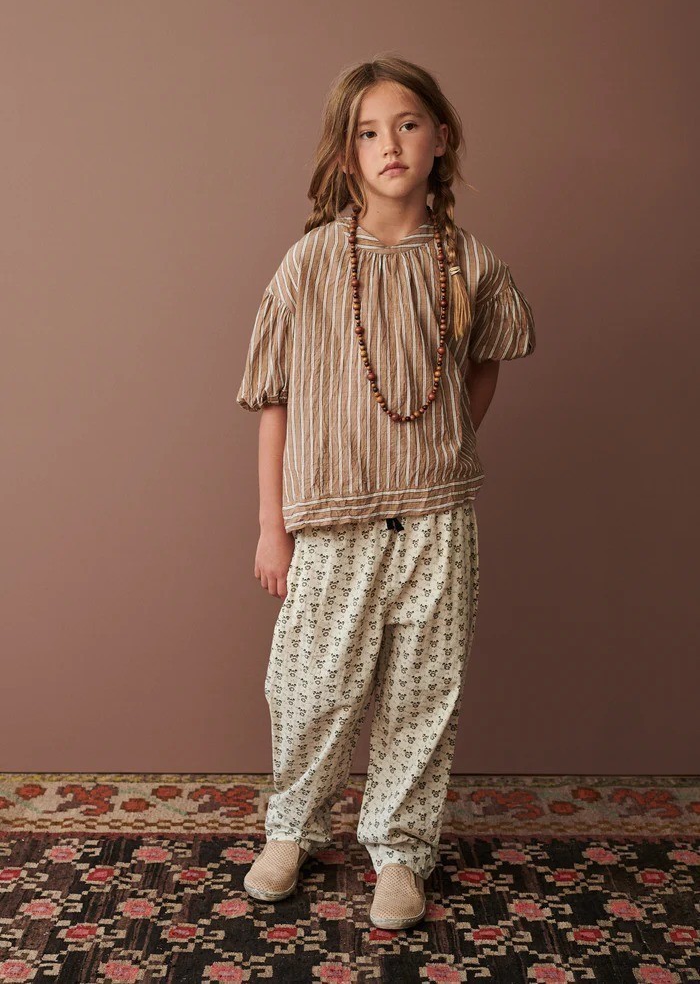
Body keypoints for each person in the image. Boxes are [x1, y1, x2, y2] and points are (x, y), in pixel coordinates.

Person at [235, 55, 536, 930]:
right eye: (368, 133)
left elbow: (484, 363)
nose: (390, 145)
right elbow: (273, 399)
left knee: (421, 694)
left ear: (441, 137)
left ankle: (400, 851)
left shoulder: (469, 264)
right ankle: (292, 828)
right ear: (347, 154)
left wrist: (445, 439)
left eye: (407, 125)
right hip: (331, 520)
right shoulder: (311, 264)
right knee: (310, 688)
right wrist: (271, 526)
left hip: (437, 517)